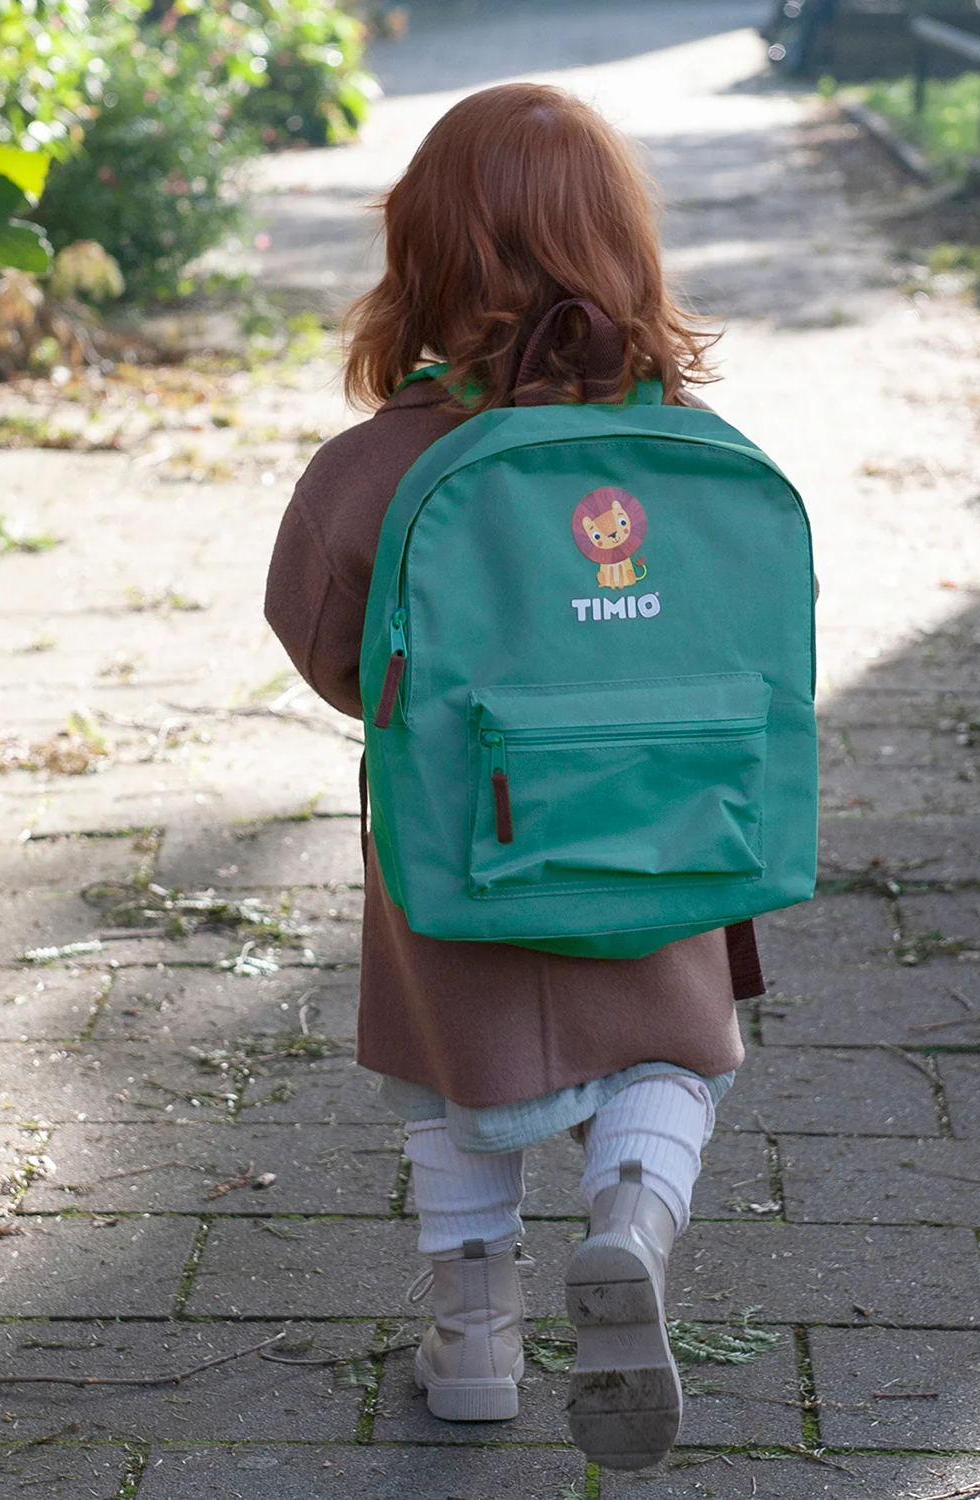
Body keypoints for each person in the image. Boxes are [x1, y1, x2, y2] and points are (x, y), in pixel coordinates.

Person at [264, 82, 756, 1472]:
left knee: (449, 1071)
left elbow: (320, 640)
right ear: (624, 251)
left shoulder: (373, 469)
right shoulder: (699, 460)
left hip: (457, 842)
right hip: (662, 840)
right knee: (677, 1053)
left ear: (421, 261)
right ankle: (630, 1227)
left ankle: (475, 1338)